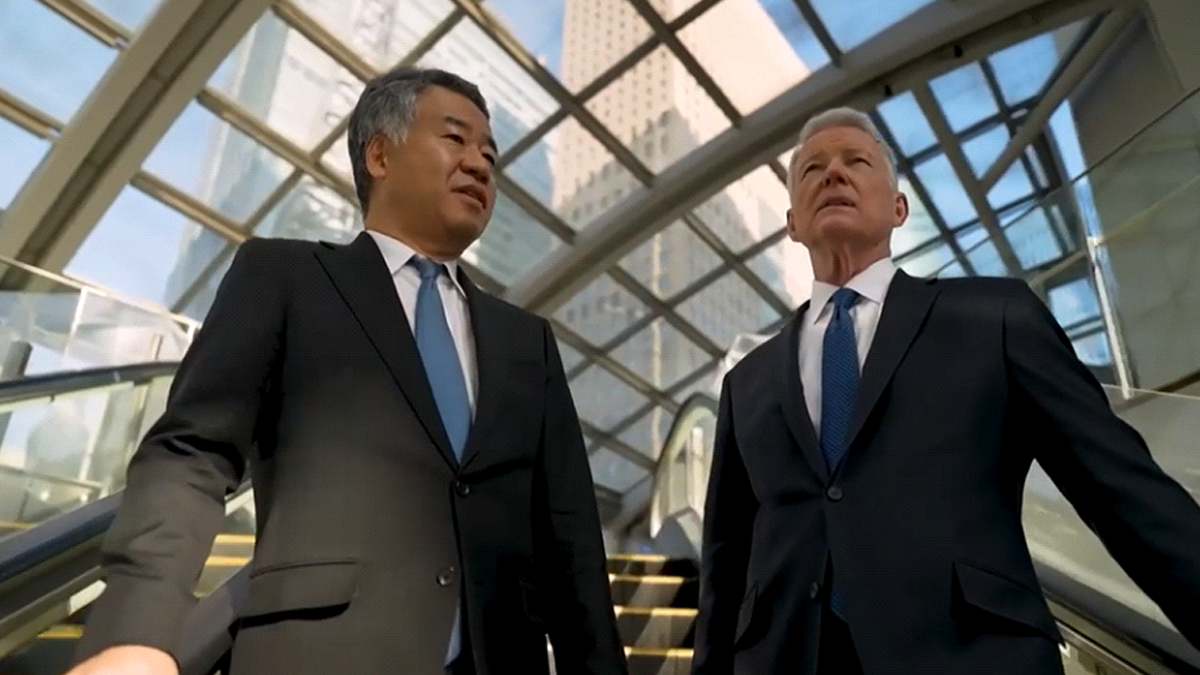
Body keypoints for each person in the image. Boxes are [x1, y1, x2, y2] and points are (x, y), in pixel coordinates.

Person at [67, 67, 627, 675]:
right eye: (455, 139)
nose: (479, 165)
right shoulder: (283, 276)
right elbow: (192, 453)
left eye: (490, 154)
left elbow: (571, 541)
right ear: (380, 155)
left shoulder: (527, 340)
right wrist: (135, 632)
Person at [691, 107, 1200, 675]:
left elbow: (1122, 490)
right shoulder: (746, 382)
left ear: (899, 208)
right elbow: (725, 570)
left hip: (971, 654)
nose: (833, 173)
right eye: (812, 169)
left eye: (856, 161)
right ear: (792, 223)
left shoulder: (996, 318)